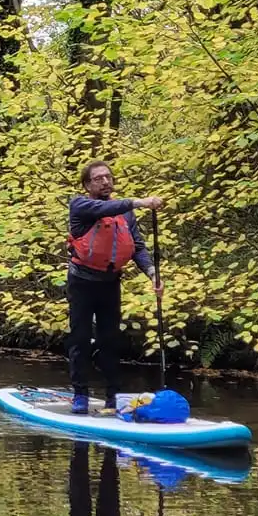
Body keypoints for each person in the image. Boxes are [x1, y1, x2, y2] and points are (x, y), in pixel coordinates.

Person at [66, 162, 162, 414]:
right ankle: (80, 395)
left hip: (110, 284)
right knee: (80, 338)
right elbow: (105, 208)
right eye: (98, 178)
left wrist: (152, 273)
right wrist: (140, 202)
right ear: (87, 185)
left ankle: (112, 397)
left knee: (110, 340)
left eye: (108, 177)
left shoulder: (125, 213)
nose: (106, 181)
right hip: (82, 283)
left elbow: (137, 246)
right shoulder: (80, 206)